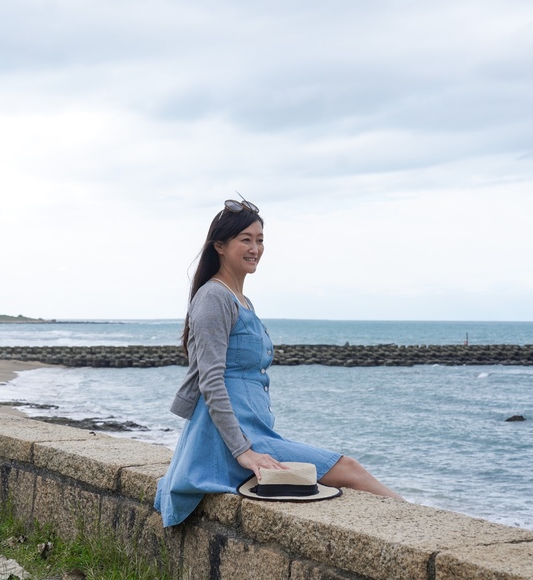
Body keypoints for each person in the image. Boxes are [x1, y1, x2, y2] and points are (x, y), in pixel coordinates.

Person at [153, 198, 403, 527]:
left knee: (339, 473)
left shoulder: (241, 300)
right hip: (229, 439)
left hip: (252, 431)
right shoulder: (214, 297)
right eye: (245, 239)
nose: (255, 248)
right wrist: (243, 451)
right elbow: (211, 381)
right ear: (220, 246)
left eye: (260, 240)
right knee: (349, 470)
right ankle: (423, 525)